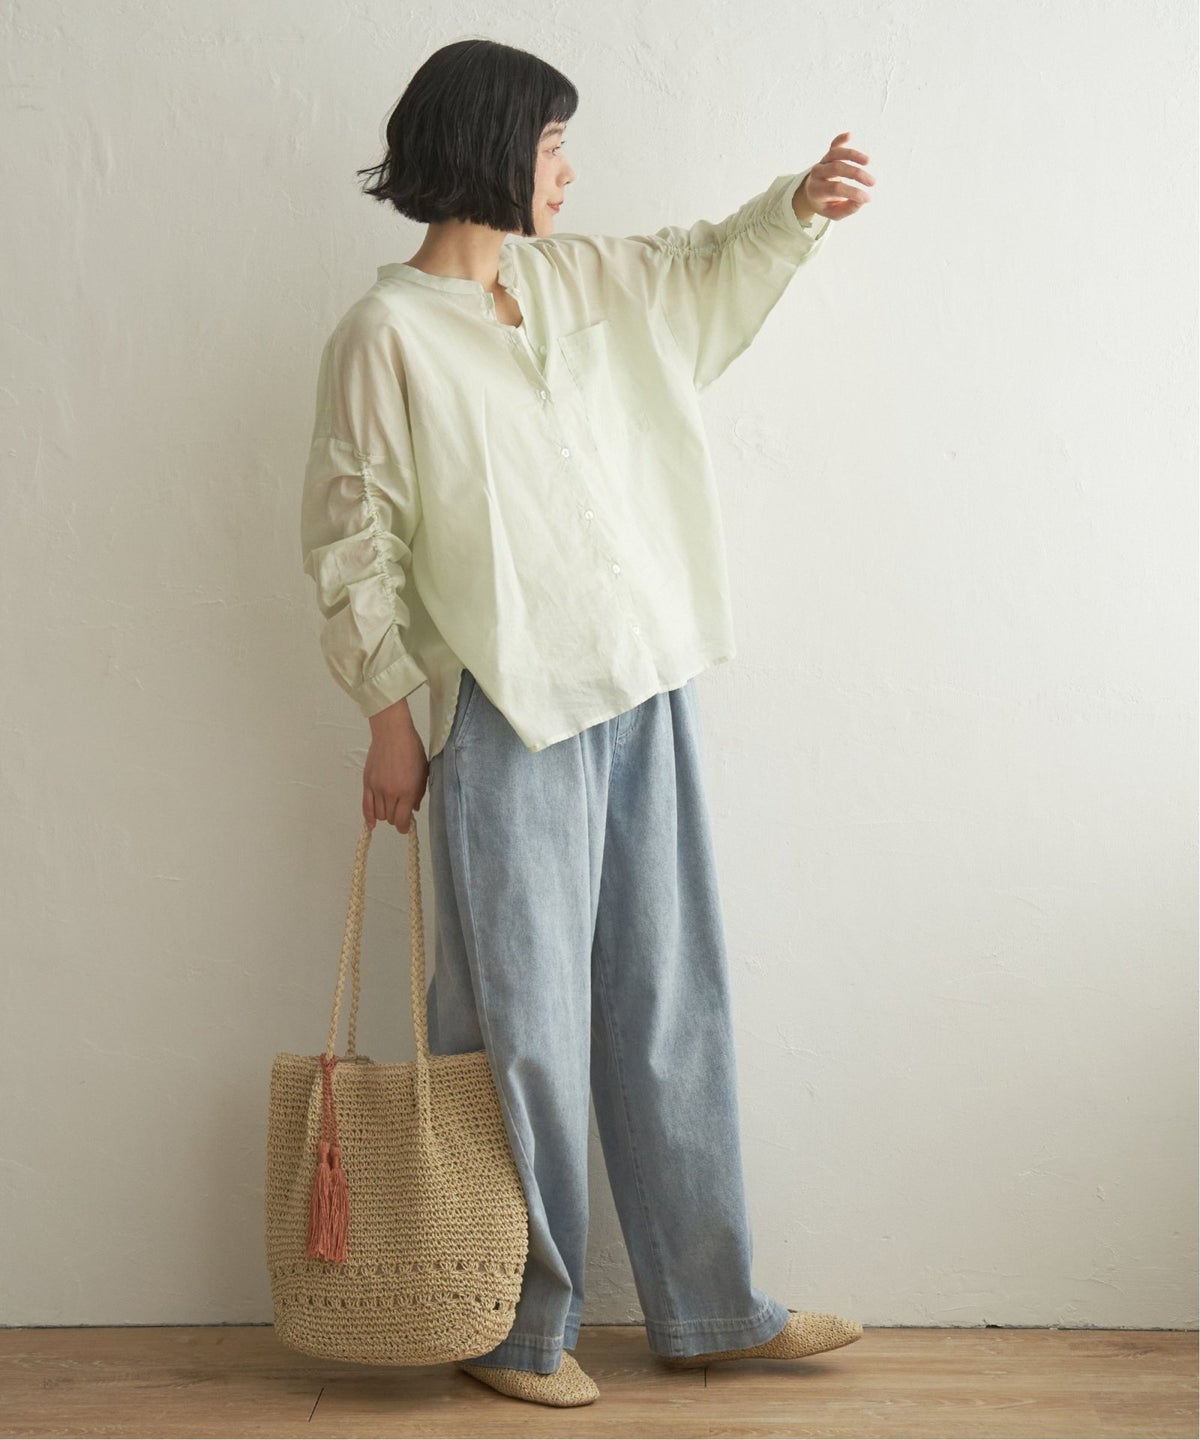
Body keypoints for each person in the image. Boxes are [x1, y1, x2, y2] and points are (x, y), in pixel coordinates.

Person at [299, 36, 874, 1409]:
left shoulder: (570, 282)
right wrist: (388, 717)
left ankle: (708, 1305)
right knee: (519, 1030)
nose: (568, 170)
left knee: (673, 1005)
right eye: (553, 144)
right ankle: (514, 1329)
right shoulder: (385, 336)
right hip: (513, 715)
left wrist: (792, 208)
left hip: (643, 686)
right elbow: (352, 535)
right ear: (490, 145)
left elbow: (692, 270)